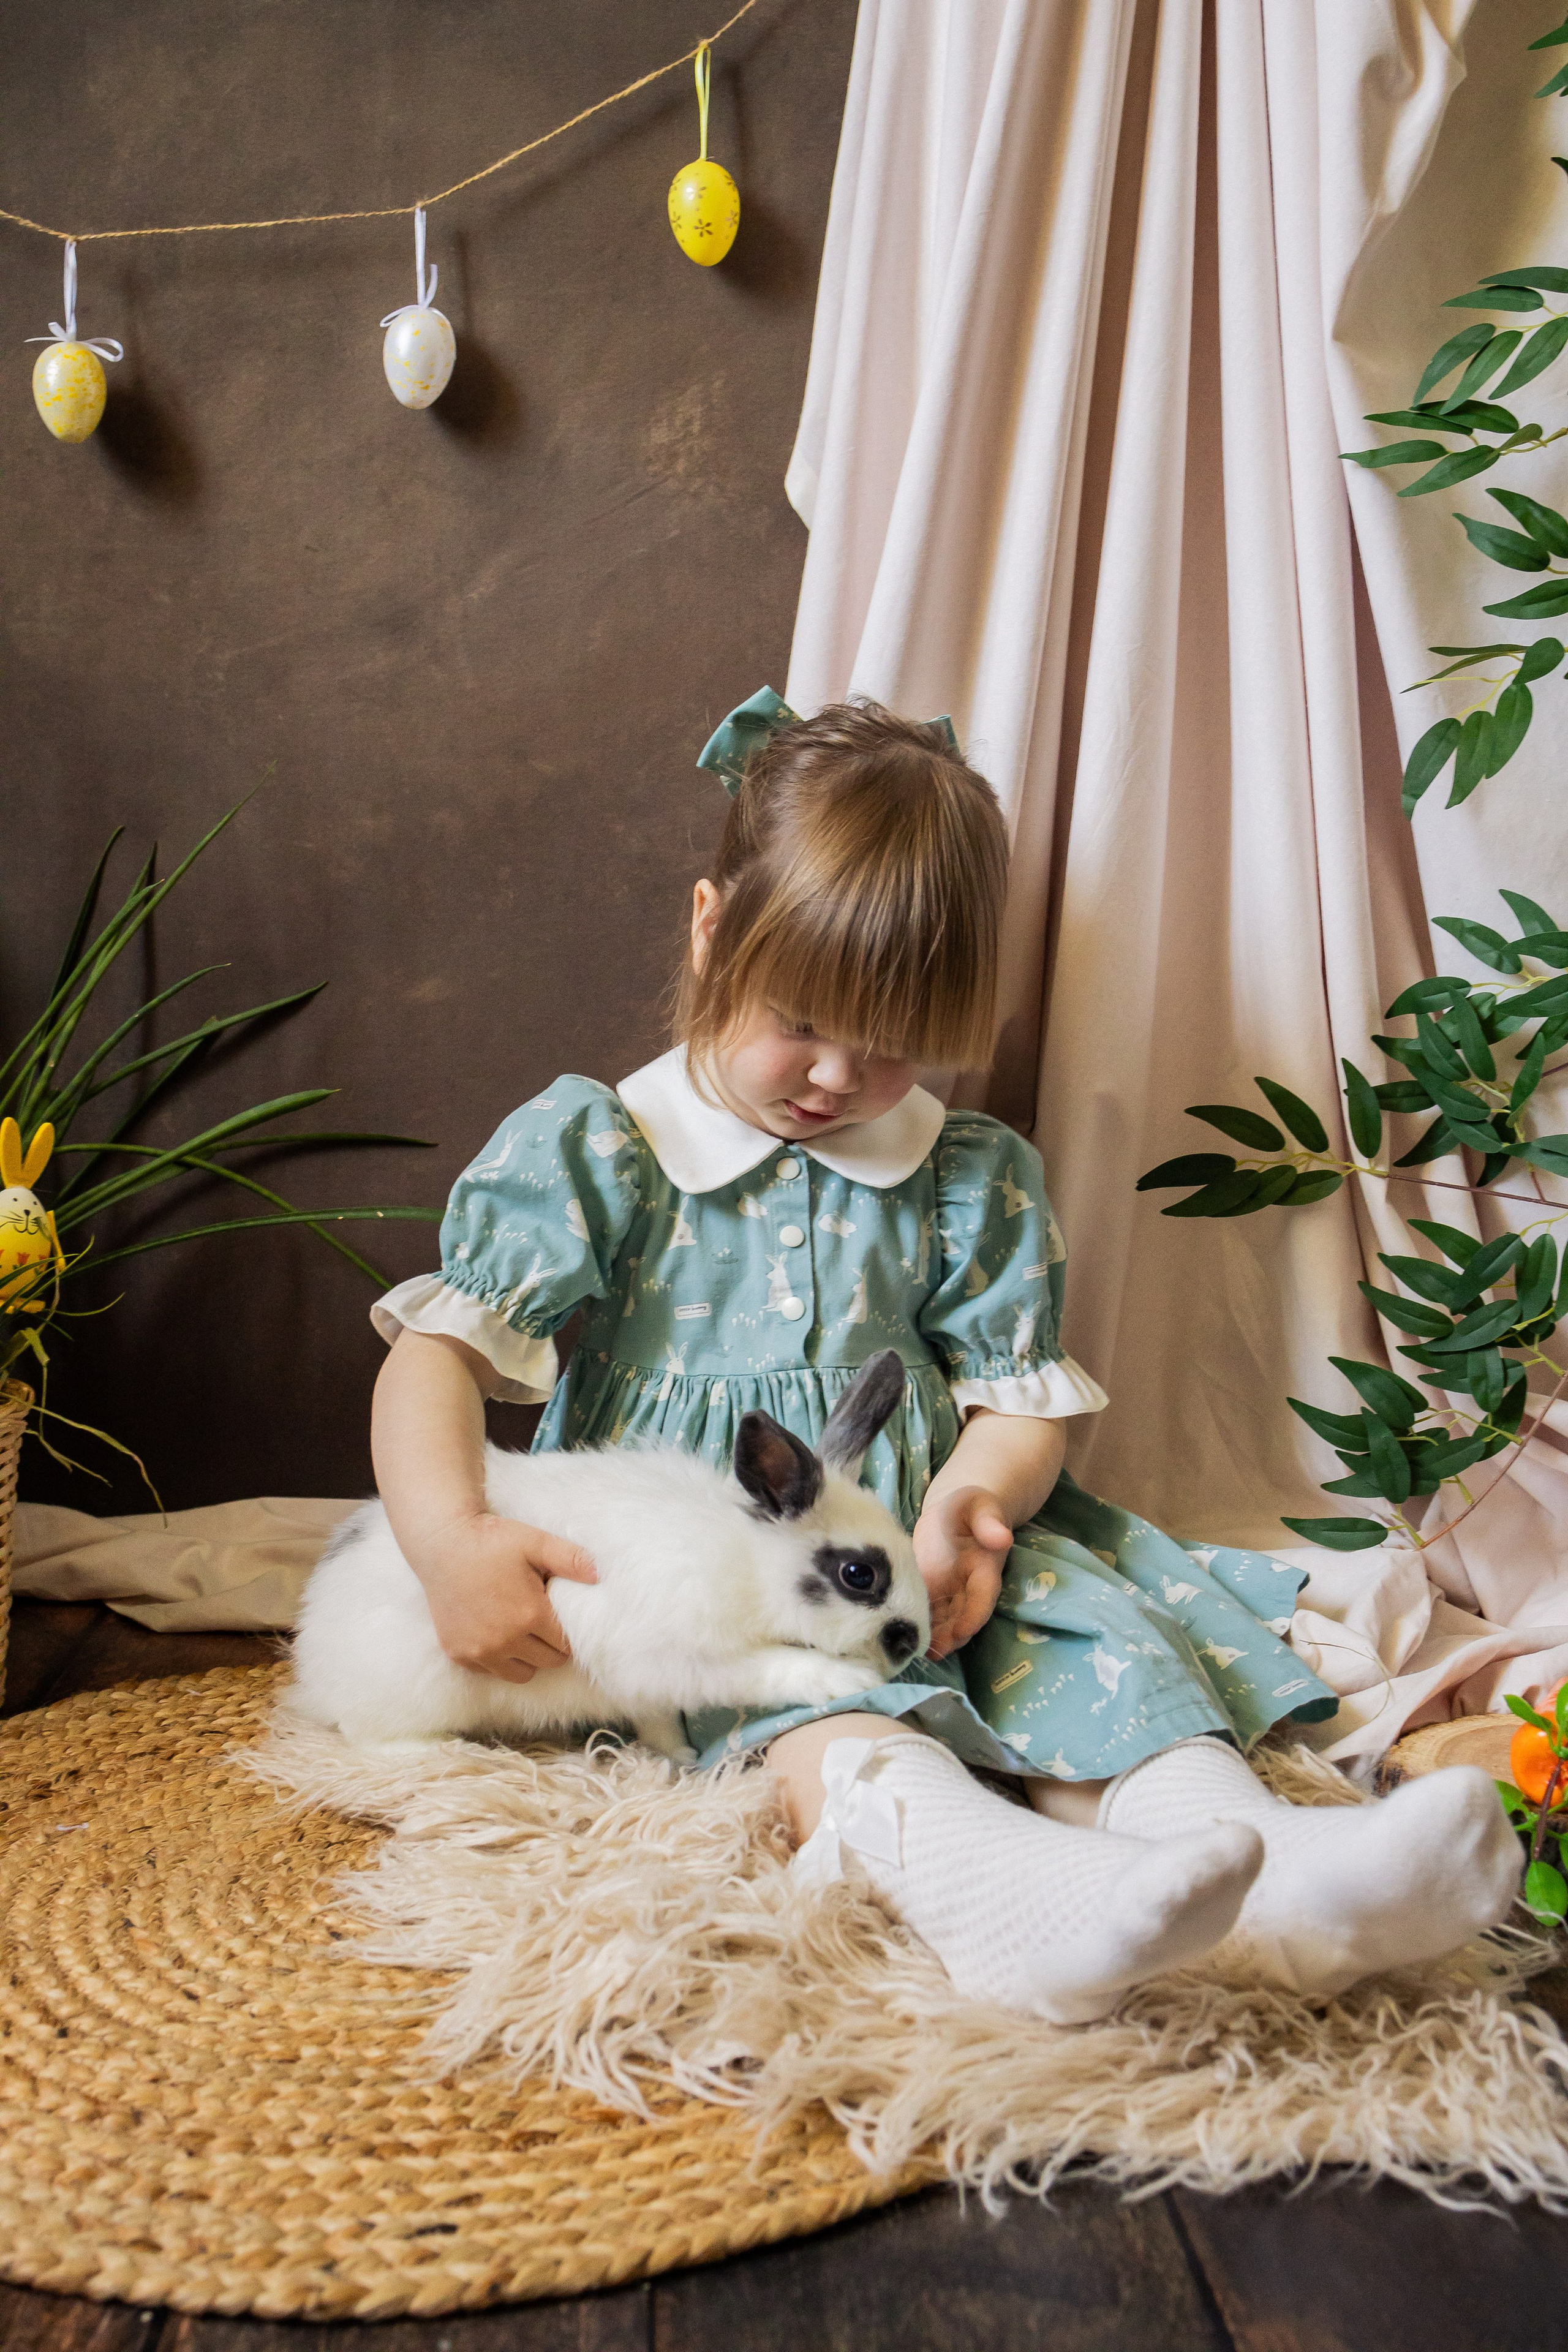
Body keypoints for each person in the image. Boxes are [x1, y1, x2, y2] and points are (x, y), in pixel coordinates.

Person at [367, 689, 1520, 2024]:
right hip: (712, 1577)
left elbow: (1012, 1398)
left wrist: (974, 1506)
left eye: (890, 1044)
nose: (835, 1077)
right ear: (708, 931)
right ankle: (999, 1893)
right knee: (806, 1713)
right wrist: (449, 1538)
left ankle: (1273, 1876)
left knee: (1088, 1637)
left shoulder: (963, 1176)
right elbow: (437, 1357)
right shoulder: (605, 1151)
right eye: (797, 1019)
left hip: (914, 1537)